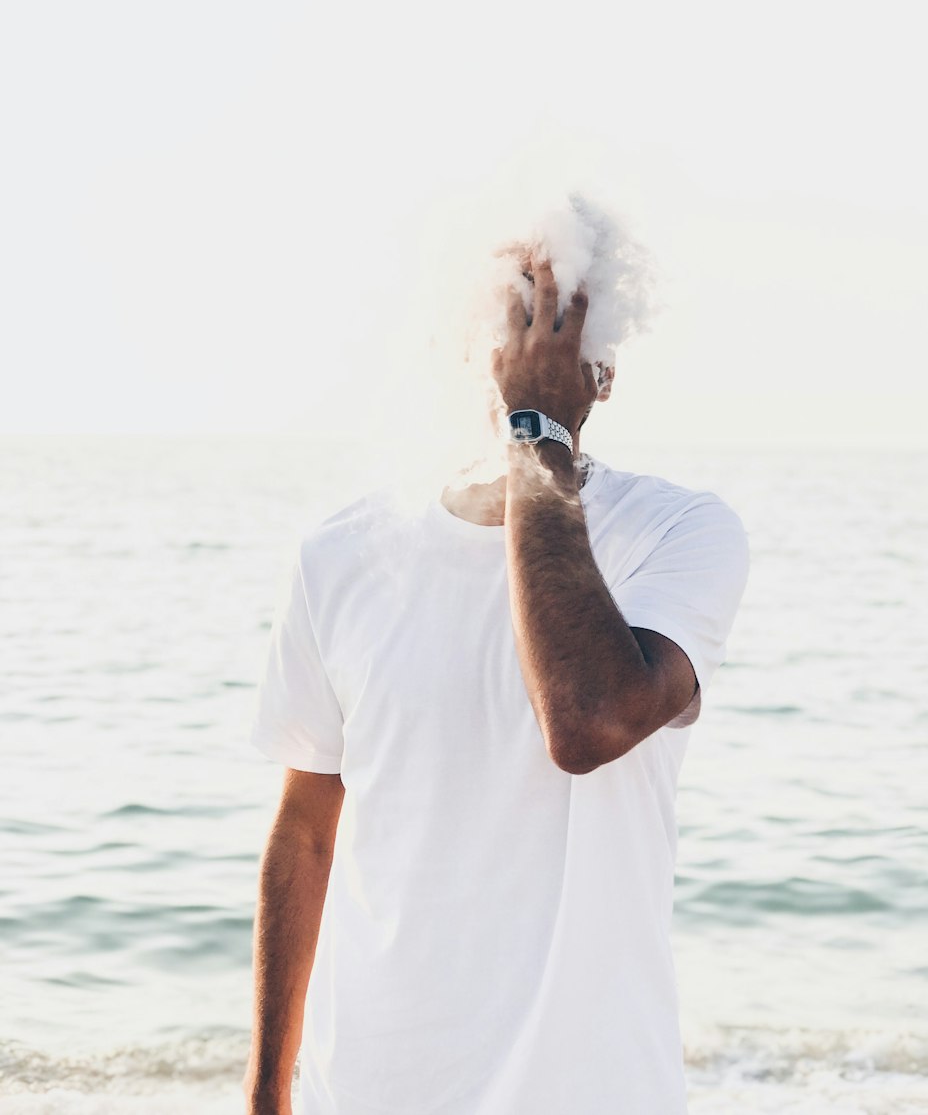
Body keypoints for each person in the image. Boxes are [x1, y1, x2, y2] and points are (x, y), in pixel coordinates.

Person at [243, 212, 750, 1115]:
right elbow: (306, 831)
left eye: (556, 320)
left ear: (603, 364)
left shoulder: (682, 534)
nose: (527, 342)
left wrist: (537, 432)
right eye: (510, 316)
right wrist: (265, 1092)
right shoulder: (340, 557)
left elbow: (587, 718)